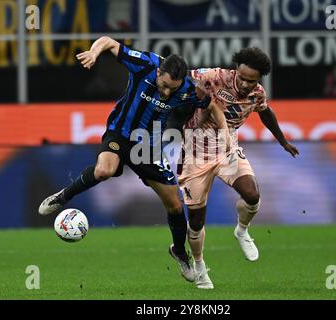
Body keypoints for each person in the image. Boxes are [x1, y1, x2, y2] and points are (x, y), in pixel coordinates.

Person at [38, 36, 228, 283]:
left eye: (173, 87)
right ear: (159, 71)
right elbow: (108, 41)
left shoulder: (188, 89)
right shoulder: (146, 63)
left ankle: (179, 252)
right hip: (121, 132)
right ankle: (62, 197)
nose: (167, 91)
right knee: (105, 170)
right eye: (165, 84)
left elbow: (211, 105)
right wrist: (95, 53)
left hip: (149, 147)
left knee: (174, 205)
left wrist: (224, 134)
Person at [177, 48, 300, 289]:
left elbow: (266, 113)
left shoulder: (257, 94)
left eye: (251, 80)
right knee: (196, 221)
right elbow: (182, 75)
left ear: (259, 79)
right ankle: (200, 267)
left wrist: (283, 141)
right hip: (195, 152)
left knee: (252, 195)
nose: (245, 83)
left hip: (226, 149)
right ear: (236, 70)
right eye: (242, 77)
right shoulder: (214, 76)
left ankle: (242, 230)